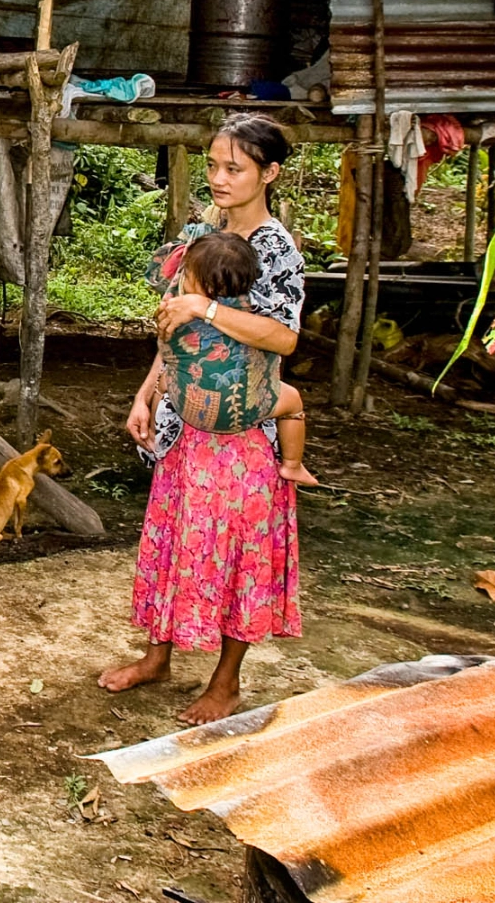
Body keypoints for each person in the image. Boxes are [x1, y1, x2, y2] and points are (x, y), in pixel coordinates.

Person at [101, 114, 305, 724]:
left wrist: (208, 307)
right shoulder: (205, 236)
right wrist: (147, 394)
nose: (218, 178)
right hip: (188, 428)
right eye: (213, 165)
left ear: (268, 173)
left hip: (243, 435)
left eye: (233, 168)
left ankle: (226, 683)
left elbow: (283, 339)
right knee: (174, 541)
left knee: (237, 554)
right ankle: (156, 656)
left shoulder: (274, 249)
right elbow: (173, 332)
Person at [160, 231, 316, 486]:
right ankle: (293, 465)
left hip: (186, 403)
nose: (183, 278)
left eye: (187, 273)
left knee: (165, 379)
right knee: (293, 401)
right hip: (244, 409)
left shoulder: (176, 306)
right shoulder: (250, 308)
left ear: (207, 285)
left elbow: (165, 344)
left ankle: (158, 433)